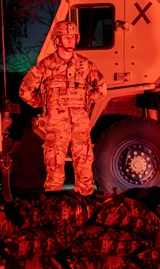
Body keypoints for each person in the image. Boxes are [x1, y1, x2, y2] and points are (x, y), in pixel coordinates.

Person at [19, 20, 106, 196]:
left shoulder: (85, 65)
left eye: (73, 37)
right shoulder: (45, 66)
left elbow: (101, 88)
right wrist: (42, 103)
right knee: (55, 168)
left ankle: (84, 206)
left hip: (80, 124)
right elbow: (25, 90)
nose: (70, 41)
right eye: (66, 37)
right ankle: (54, 207)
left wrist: (85, 104)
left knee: (84, 167)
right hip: (56, 124)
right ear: (57, 40)